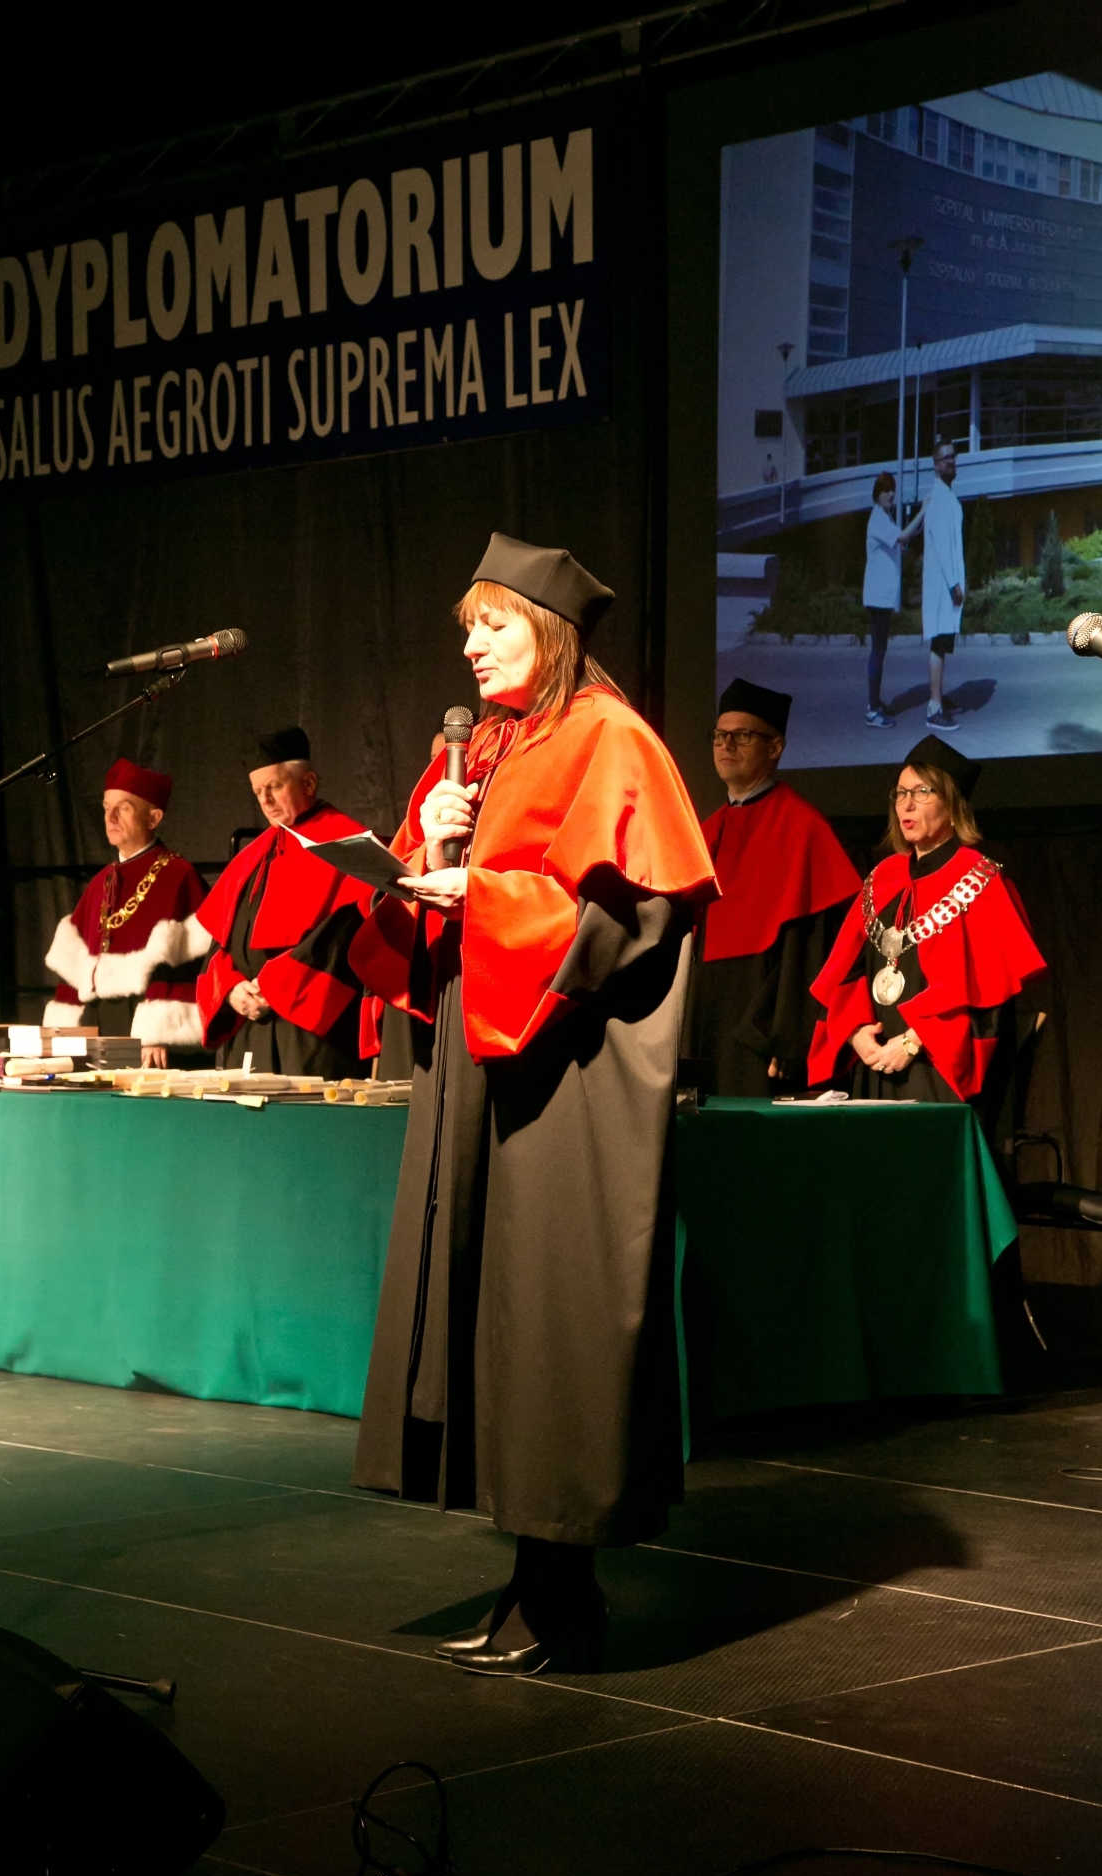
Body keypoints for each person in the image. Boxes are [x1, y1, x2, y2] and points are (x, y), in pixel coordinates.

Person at [348, 532, 717, 1677]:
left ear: (548, 632)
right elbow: (427, 894)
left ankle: (562, 1596)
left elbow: (638, 915)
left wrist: (487, 895)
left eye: (491, 624)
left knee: (552, 1315)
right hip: (481, 1055)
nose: (470, 647)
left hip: (567, 1067)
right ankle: (530, 1584)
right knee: (493, 1315)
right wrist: (426, 854)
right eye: (466, 628)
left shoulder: (608, 737)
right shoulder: (490, 747)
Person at [808, 736, 1045, 1116]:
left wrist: (913, 1042)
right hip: (877, 1060)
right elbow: (849, 972)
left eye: (922, 792)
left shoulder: (980, 880)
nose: (907, 804)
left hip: (940, 1068)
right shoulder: (883, 879)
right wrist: (854, 1032)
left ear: (952, 804)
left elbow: (989, 997)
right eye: (900, 793)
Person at [680, 679, 860, 1095]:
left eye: (742, 735)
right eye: (720, 736)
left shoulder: (803, 828)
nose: (727, 745)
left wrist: (791, 1034)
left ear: (775, 747)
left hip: (763, 1025)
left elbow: (814, 949)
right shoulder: (706, 831)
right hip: (704, 1013)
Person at [194, 727, 372, 1076]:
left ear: (308, 783)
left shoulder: (348, 846)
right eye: (257, 792)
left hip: (310, 1036)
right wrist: (229, 988)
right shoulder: (252, 857)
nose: (265, 800)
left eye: (274, 786)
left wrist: (276, 986)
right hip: (249, 1025)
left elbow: (343, 941)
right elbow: (221, 943)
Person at [43, 758, 209, 1066]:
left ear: (153, 818)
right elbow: (73, 965)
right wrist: (59, 1034)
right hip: (101, 1024)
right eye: (107, 807)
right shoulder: (100, 883)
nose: (110, 817)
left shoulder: (178, 875)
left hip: (150, 1032)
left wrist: (156, 1032)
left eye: (124, 808)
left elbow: (185, 965)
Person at [903, 439, 965, 732]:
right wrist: (954, 584)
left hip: (946, 585)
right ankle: (934, 707)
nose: (950, 461)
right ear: (936, 466)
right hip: (943, 586)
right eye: (944, 458)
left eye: (953, 456)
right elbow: (940, 544)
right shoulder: (939, 498)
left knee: (942, 642)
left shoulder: (945, 495)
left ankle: (938, 697)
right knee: (938, 643)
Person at [862, 472, 902, 728]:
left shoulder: (884, 517)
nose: (891, 494)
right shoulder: (878, 518)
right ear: (877, 494)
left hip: (881, 596)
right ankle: (873, 710)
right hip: (878, 597)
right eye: (886, 490)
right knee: (878, 651)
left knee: (880, 650)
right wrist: (924, 512)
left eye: (892, 489)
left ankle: (874, 702)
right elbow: (903, 536)